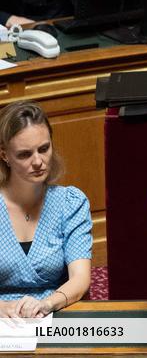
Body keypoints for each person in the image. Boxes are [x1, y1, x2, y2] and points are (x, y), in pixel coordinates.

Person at [0, 100, 92, 318]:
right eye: (24, 154)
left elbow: (80, 278)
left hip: (57, 308)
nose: (38, 161)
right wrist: (3, 309)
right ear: (4, 155)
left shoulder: (70, 203)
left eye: (44, 149)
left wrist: (47, 304)